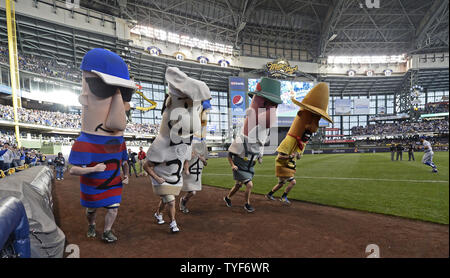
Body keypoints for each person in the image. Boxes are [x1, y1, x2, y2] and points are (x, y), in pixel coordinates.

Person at [69, 48, 133, 243]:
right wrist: (93, 169)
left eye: (125, 95)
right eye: (103, 88)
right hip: (92, 185)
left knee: (114, 207)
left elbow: (123, 160)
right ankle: (91, 224)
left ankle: (107, 231)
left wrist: (126, 174)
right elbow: (73, 170)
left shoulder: (120, 141)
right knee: (91, 211)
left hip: (113, 184)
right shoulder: (83, 143)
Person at [224, 77, 282, 213]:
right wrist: (232, 165)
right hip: (241, 164)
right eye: (266, 105)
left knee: (238, 185)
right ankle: (247, 204)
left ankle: (227, 197)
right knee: (249, 185)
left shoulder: (260, 135)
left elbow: (260, 143)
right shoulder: (241, 139)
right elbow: (230, 153)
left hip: (250, 165)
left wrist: (260, 155)